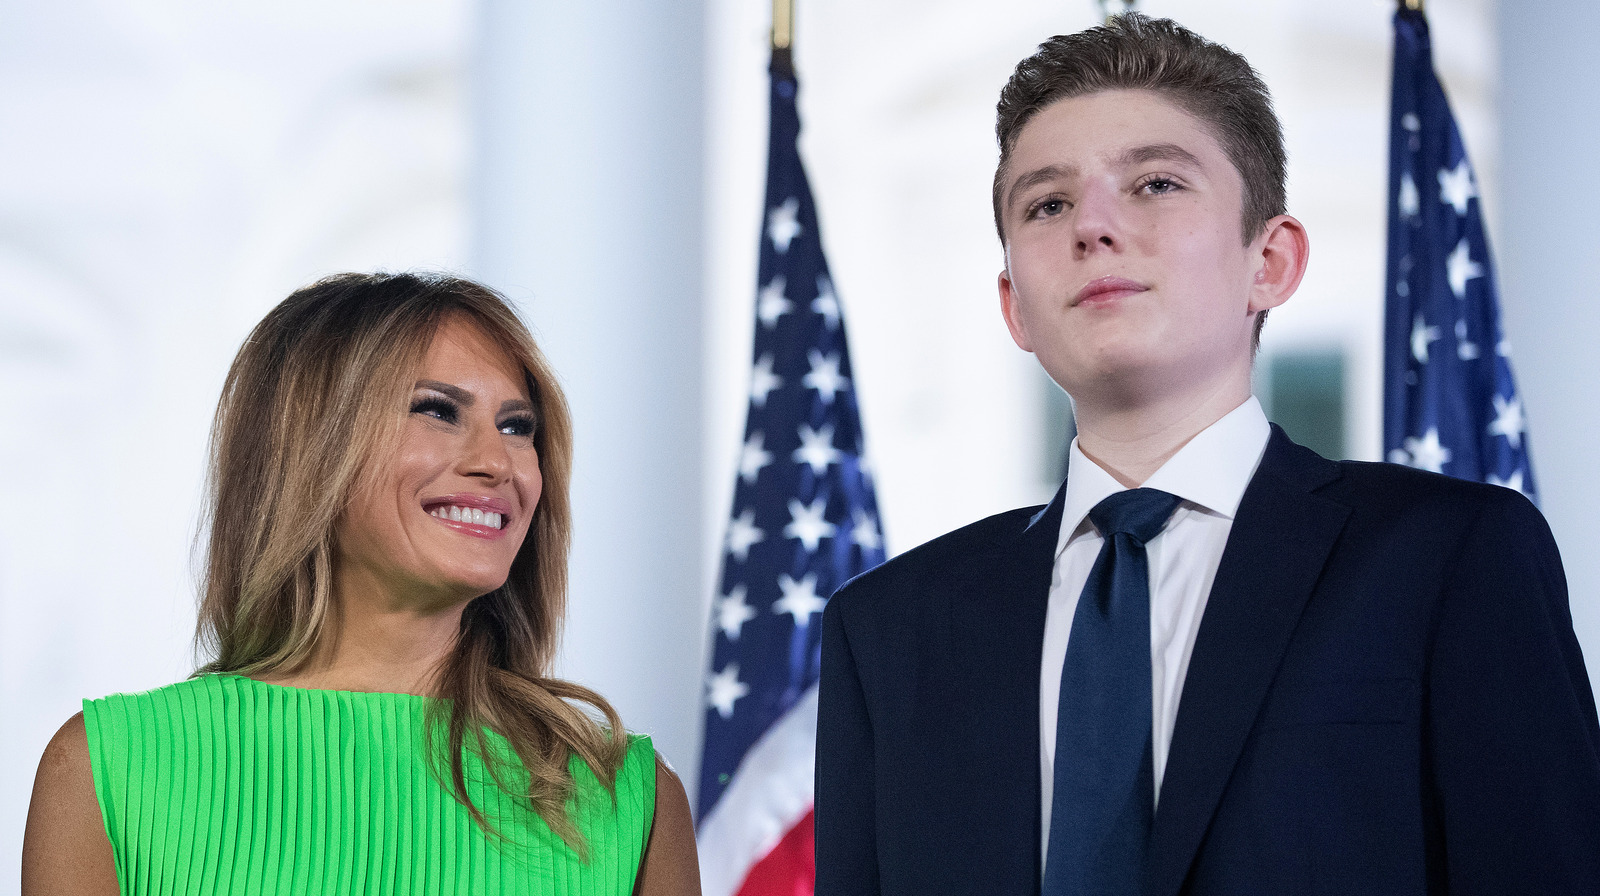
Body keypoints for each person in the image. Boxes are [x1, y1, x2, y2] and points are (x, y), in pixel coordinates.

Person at [816, 13, 1600, 896]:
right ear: (1016, 308)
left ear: (1271, 260)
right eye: (1048, 203)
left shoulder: (1451, 559)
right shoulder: (886, 631)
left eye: (1154, 183)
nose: (1094, 226)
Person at [22, 272, 701, 895]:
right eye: (438, 410)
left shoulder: (627, 797)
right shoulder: (106, 770)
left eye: (518, 426)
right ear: (311, 446)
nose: (499, 463)